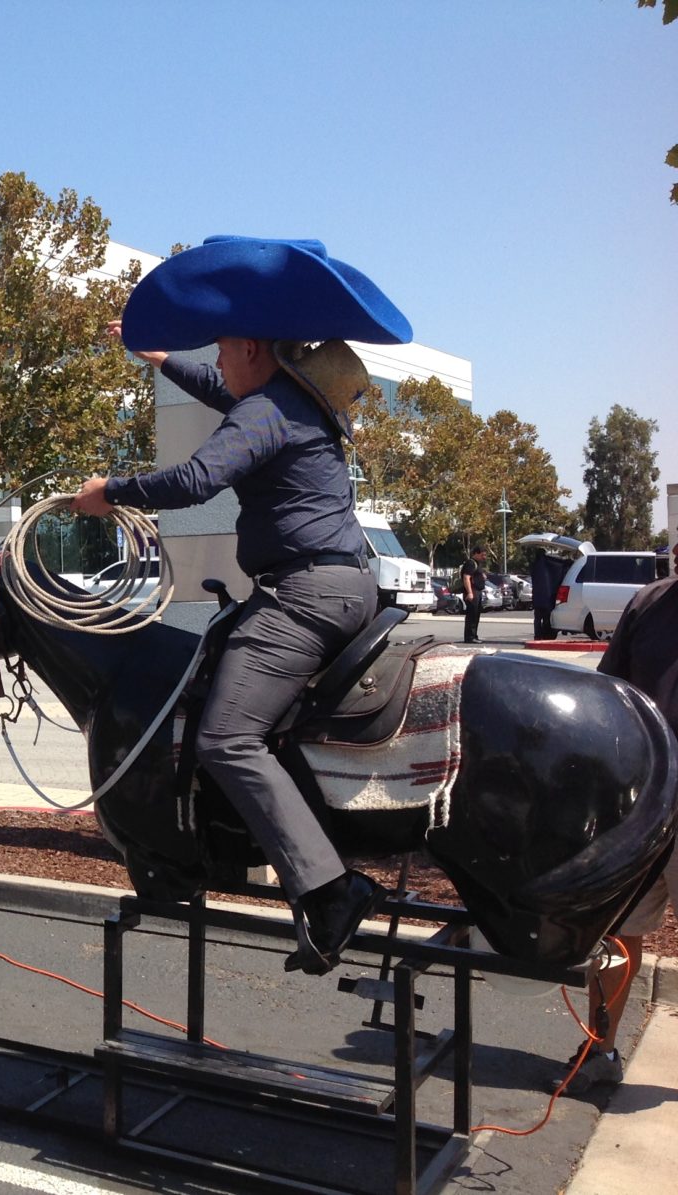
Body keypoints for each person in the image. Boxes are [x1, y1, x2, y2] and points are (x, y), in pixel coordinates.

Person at [70, 236, 414, 975]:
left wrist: (113, 493)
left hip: (305, 594)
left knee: (226, 737)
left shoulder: (266, 413)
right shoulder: (287, 399)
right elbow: (222, 391)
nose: (220, 360)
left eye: (224, 347)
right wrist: (160, 359)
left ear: (253, 346)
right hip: (340, 581)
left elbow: (196, 479)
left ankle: (327, 891)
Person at [552, 568, 678, 1093]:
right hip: (645, 798)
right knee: (620, 931)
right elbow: (612, 693)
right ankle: (600, 1050)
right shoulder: (650, 603)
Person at [530, 548, 570, 640]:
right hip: (547, 598)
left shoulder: (534, 566)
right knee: (546, 619)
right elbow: (557, 565)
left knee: (537, 619)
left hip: (537, 598)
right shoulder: (548, 565)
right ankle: (546, 635)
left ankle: (537, 635)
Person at [460, 545, 488, 644]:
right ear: (476, 554)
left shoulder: (476, 564)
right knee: (472, 616)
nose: (484, 557)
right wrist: (470, 593)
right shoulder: (470, 563)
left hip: (477, 592)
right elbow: (466, 578)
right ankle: (469, 637)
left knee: (476, 615)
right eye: (482, 555)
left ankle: (474, 635)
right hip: (473, 592)